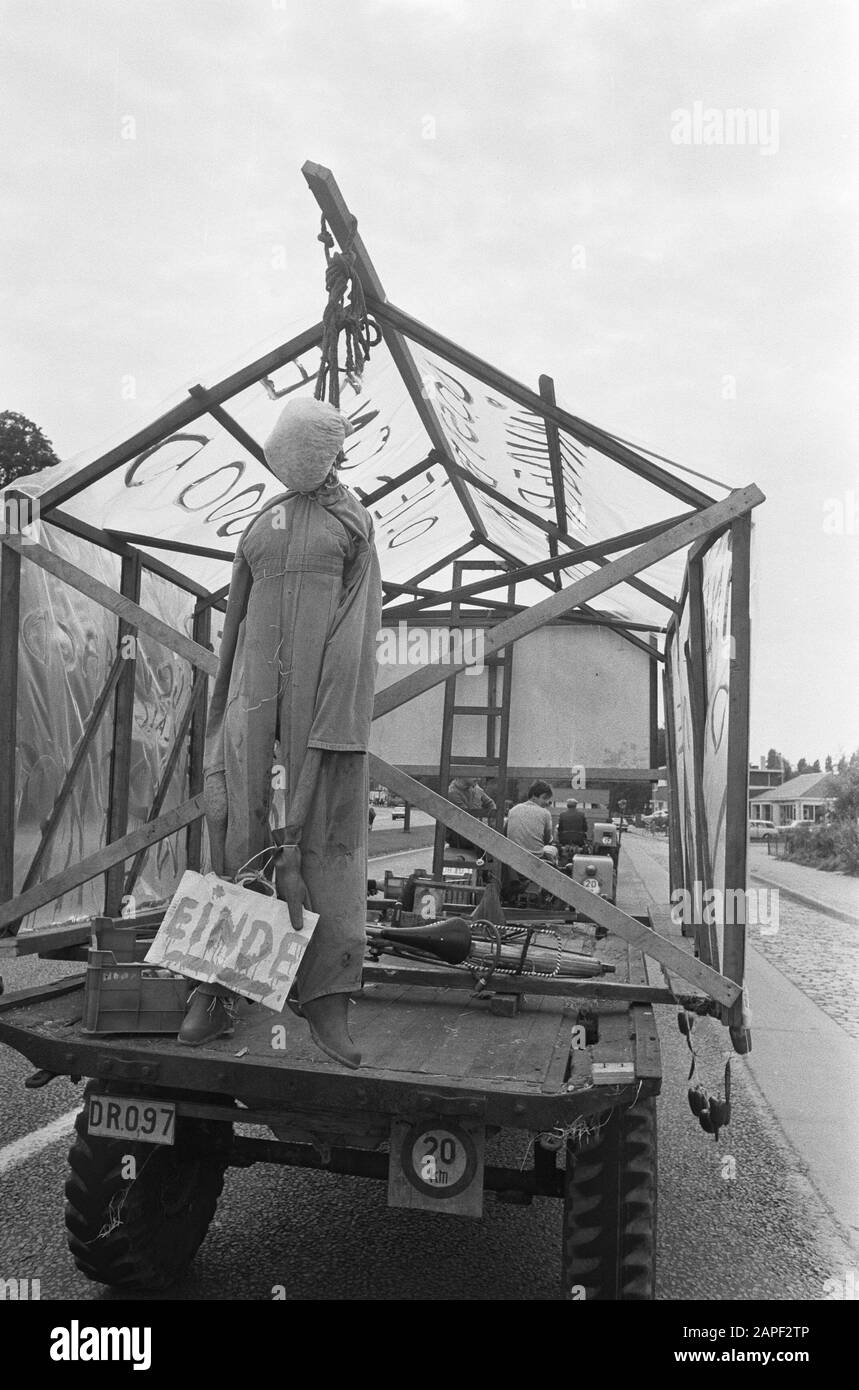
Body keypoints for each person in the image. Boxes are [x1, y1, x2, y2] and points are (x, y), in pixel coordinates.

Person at [181, 396, 382, 1068]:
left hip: (322, 696)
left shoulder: (352, 524)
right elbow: (234, 623)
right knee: (239, 830)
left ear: (333, 453)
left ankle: (327, 1000)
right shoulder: (258, 526)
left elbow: (357, 628)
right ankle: (217, 986)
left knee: (328, 840)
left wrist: (337, 714)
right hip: (255, 693)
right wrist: (229, 709)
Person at [505, 781, 558, 861]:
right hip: (535, 858)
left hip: (513, 856)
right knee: (553, 850)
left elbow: (505, 832)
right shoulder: (545, 813)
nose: (547, 802)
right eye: (544, 798)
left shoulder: (513, 810)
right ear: (534, 796)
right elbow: (547, 840)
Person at [445, 776, 496, 851]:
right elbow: (469, 819)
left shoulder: (474, 787)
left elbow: (491, 804)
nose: (478, 779)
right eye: (475, 775)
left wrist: (492, 824)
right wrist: (477, 795)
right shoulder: (452, 793)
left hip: (473, 833)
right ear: (463, 774)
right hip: (459, 837)